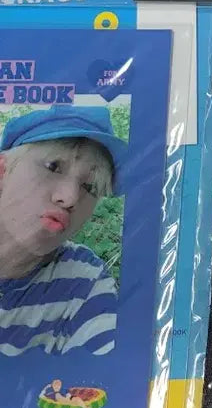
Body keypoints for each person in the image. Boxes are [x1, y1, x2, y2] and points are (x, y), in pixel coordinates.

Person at [0, 106, 126, 356]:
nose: (70, 198)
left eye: (89, 187)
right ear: (2, 171)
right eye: (53, 167)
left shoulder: (85, 284)